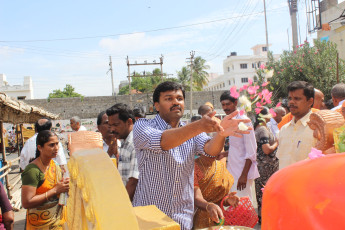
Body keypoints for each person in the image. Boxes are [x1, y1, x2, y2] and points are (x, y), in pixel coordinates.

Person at [132, 81, 251, 230]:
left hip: (182, 218)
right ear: (156, 105)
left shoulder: (190, 130)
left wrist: (221, 135)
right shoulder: (143, 126)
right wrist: (199, 126)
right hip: (150, 219)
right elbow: (164, 141)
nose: (176, 102)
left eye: (179, 98)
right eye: (169, 99)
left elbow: (210, 151)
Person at [21, 130, 69, 230]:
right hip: (39, 224)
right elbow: (26, 202)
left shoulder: (54, 165)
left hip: (57, 222)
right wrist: (55, 190)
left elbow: (60, 191)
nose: (56, 148)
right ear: (40, 148)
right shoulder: (32, 171)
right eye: (51, 145)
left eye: (57, 144)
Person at [218, 91, 259, 202]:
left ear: (235, 103)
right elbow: (238, 148)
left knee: (243, 205)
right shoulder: (229, 121)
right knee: (234, 206)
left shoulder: (244, 121)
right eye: (223, 105)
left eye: (228, 104)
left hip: (241, 172)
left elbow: (251, 151)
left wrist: (243, 175)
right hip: (232, 170)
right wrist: (224, 154)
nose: (225, 108)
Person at [277, 81, 316, 169]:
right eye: (290, 98)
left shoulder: (318, 129)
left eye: (297, 99)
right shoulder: (284, 129)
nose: (291, 102)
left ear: (310, 101)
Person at [193, 154, 239, 229]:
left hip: (218, 217)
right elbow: (195, 197)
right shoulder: (194, 167)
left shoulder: (220, 167)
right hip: (196, 217)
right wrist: (208, 206)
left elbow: (220, 198)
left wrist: (227, 200)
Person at [106, 103, 139, 201]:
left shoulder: (135, 143)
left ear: (129, 122)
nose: (112, 129)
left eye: (116, 125)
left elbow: (133, 181)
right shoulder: (124, 141)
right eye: (110, 125)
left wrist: (122, 206)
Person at [254, 107, 279, 224]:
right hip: (265, 167)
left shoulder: (261, 128)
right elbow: (266, 149)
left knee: (262, 193)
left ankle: (264, 218)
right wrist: (277, 143)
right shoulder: (263, 130)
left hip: (264, 167)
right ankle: (266, 219)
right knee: (265, 192)